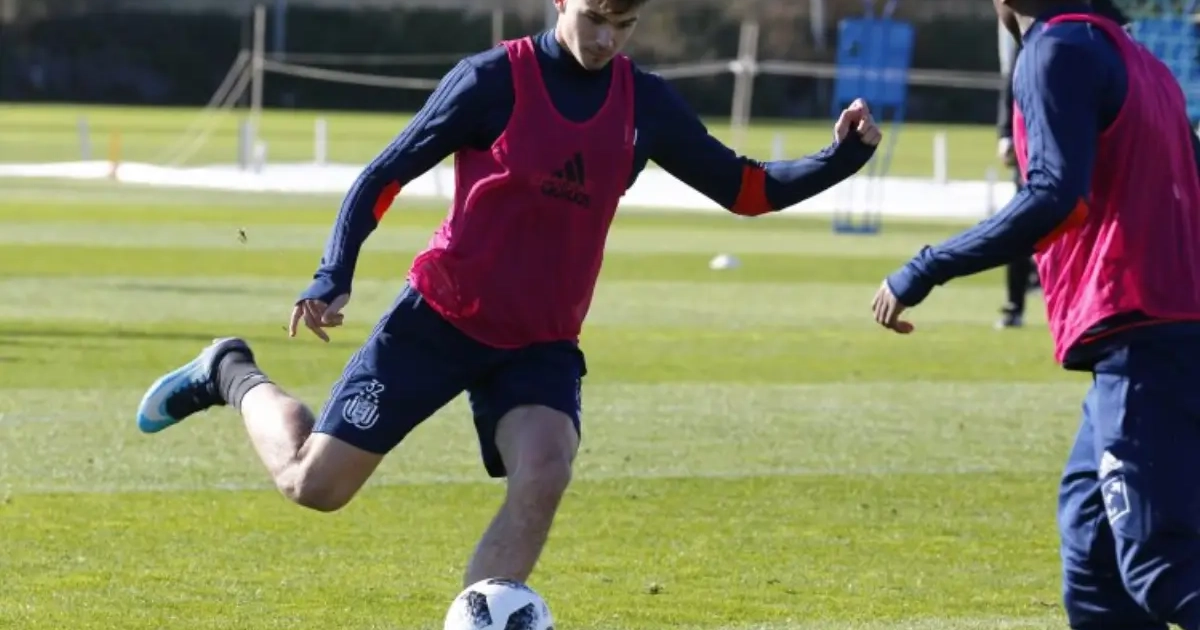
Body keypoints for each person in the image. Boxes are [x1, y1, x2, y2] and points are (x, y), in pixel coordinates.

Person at [135, 0, 881, 589]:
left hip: (540, 344)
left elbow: (746, 190)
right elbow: (383, 175)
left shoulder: (644, 104)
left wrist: (843, 156)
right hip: (440, 320)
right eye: (596, 17)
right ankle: (229, 370)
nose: (607, 39)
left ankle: (483, 617)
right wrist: (334, 274)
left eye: (624, 24)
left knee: (546, 469)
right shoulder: (492, 79)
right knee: (314, 485)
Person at [871, 0, 1200, 628]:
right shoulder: (1136, 57)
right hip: (1157, 336)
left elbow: (1055, 195)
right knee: (1095, 565)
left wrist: (927, 267)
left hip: (1145, 336)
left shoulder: (1056, 48)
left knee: (1161, 567)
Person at [994, 23, 1038, 329]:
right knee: (1019, 226)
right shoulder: (1030, 36)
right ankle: (1014, 305)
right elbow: (1010, 83)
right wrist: (1005, 134)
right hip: (1031, 148)